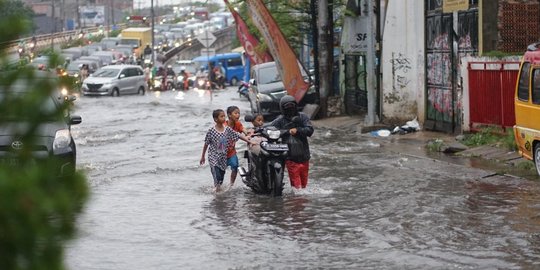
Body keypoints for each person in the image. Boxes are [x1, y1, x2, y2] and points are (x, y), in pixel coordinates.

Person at [200, 109, 253, 193]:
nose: (224, 118)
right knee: (216, 173)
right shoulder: (211, 131)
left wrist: (249, 141)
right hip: (213, 157)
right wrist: (203, 156)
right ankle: (216, 192)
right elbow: (206, 143)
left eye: (224, 116)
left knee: (221, 176)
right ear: (215, 119)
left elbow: (238, 135)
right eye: (221, 116)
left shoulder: (227, 129)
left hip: (223, 157)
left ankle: (220, 188)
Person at [270, 95, 314, 189]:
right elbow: (270, 129)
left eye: (291, 106)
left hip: (304, 155)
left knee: (304, 184)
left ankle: (301, 201)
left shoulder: (302, 117)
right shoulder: (280, 120)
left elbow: (310, 130)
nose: (290, 109)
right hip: (291, 157)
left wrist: (297, 130)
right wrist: (287, 131)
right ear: (282, 108)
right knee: (297, 186)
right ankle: (297, 201)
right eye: (287, 107)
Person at [225, 106, 247, 187]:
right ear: (229, 115)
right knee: (220, 172)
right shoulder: (223, 125)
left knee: (235, 166)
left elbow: (244, 130)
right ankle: (218, 186)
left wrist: (248, 134)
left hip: (231, 152)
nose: (238, 115)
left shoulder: (238, 124)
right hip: (221, 154)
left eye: (239, 113)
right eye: (236, 113)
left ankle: (231, 185)